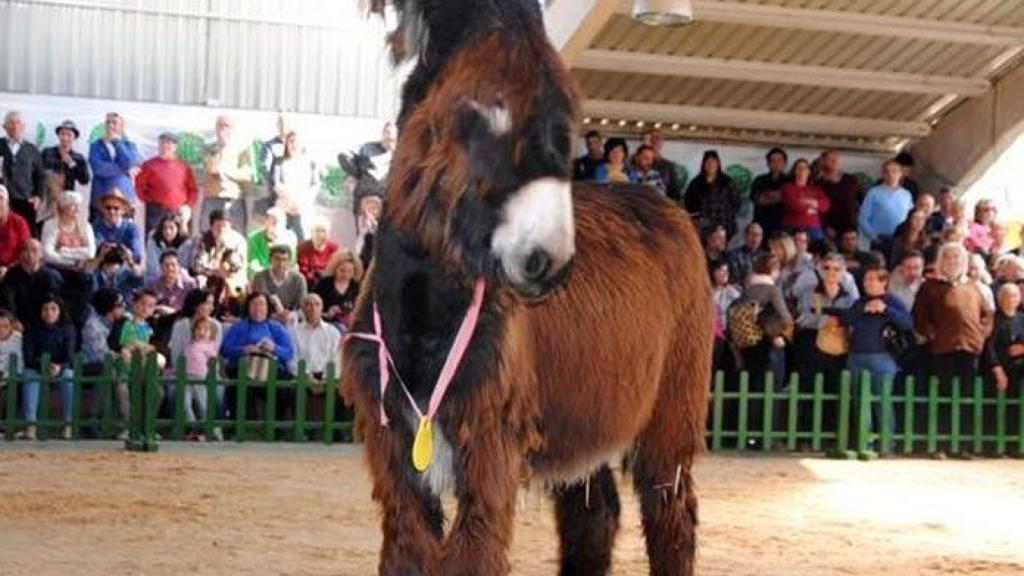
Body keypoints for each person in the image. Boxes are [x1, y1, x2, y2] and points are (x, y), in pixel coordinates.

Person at [912, 242, 996, 457]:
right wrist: (933, 335)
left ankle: (962, 445)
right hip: (942, 350)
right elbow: (919, 316)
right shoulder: (930, 287)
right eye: (948, 257)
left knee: (966, 399)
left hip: (969, 349)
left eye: (957, 258)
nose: (953, 261)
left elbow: (987, 316)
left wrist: (980, 336)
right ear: (941, 261)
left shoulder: (973, 287)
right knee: (943, 397)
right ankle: (940, 444)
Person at [841, 264, 913, 446]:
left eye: (873, 279)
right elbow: (846, 319)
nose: (868, 283)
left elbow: (907, 323)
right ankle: (864, 441)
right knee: (859, 400)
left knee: (883, 400)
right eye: (866, 279)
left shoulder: (892, 301)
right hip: (857, 355)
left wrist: (885, 310)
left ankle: (887, 442)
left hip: (883, 357)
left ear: (884, 282)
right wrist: (863, 309)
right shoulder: (859, 302)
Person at [167, 288, 224, 440]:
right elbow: (176, 355)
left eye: (212, 304)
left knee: (216, 393)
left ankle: (211, 428)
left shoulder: (216, 326)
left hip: (205, 371)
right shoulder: (181, 325)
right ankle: (186, 428)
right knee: (176, 392)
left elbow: (213, 353)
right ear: (196, 305)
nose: (211, 307)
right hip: (183, 371)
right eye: (207, 303)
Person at [20, 294, 76, 440]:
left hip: (59, 369)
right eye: (45, 309)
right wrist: (42, 365)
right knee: (30, 376)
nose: (49, 313)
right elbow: (28, 356)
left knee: (69, 377)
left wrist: (59, 367)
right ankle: (30, 425)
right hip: (37, 367)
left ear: (59, 311)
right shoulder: (32, 328)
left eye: (53, 309)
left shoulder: (68, 328)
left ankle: (68, 424)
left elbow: (69, 356)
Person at [136, 132, 199, 237]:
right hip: (156, 212)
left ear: (175, 147)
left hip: (178, 212)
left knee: (181, 244)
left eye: (168, 143)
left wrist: (188, 206)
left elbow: (193, 190)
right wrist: (151, 200)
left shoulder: (184, 167)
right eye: (162, 143)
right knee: (155, 242)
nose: (165, 146)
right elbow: (139, 187)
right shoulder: (149, 165)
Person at [201, 115, 253, 234]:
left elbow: (247, 175)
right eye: (220, 125)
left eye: (227, 126)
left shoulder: (243, 150)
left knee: (237, 234)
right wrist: (223, 148)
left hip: (234, 199)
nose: (223, 129)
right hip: (212, 198)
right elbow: (212, 169)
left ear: (233, 129)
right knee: (208, 233)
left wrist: (224, 171)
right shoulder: (209, 149)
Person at [191, 209, 247, 313]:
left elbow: (238, 266)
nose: (221, 230)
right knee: (200, 281)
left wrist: (225, 247)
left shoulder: (238, 241)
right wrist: (215, 272)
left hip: (230, 277)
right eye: (218, 226)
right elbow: (196, 265)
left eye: (224, 226)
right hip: (209, 276)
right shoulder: (201, 239)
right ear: (211, 226)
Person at [0, 240, 63, 330]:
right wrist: (13, 320)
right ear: (20, 254)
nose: (29, 254)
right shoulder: (12, 274)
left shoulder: (51, 276)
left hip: (43, 322)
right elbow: (8, 301)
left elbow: (54, 304)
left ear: (41, 254)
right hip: (17, 321)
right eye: (25, 250)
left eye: (34, 250)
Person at [0, 111, 46, 233]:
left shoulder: (32, 149)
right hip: (1, 200)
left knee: (26, 235)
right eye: (11, 123)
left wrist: (38, 196)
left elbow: (40, 175)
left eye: (18, 123)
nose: (15, 127)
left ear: (24, 127)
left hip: (26, 200)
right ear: (4, 127)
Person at [88, 112, 141, 218]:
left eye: (114, 123)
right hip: (100, 201)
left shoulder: (130, 146)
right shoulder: (96, 146)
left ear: (121, 127)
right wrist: (125, 169)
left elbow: (130, 162)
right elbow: (98, 168)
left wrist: (117, 143)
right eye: (108, 122)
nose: (110, 125)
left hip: (125, 201)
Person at [859, 160, 913, 255]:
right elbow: (863, 218)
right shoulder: (874, 192)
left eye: (894, 171)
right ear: (883, 174)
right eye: (887, 171)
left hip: (901, 240)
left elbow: (911, 217)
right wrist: (873, 236)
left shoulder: (906, 194)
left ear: (900, 174)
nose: (890, 174)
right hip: (880, 239)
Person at [271, 131, 318, 240]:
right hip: (284, 207)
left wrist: (301, 203)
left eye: (296, 141)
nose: (293, 145)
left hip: (303, 208)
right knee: (281, 240)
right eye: (290, 141)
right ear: (286, 144)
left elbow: (315, 185)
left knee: (303, 240)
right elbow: (276, 183)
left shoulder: (310, 162)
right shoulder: (279, 162)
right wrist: (290, 201)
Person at [684, 150, 741, 239]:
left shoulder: (727, 182)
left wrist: (726, 216)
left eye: (713, 162)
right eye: (708, 162)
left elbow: (737, 202)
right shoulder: (696, 183)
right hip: (702, 227)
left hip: (723, 225)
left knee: (720, 251)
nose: (711, 165)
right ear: (703, 164)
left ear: (718, 164)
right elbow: (688, 203)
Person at [987, 284, 1023, 425]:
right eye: (1007, 296)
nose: (1011, 299)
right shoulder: (994, 320)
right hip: (999, 370)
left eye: (1015, 295)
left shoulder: (1022, 318)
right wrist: (998, 369)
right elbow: (989, 347)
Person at [182, 317, 220, 441]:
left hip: (201, 377)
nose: (201, 332)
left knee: (203, 404)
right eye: (198, 329)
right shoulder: (189, 345)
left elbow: (214, 363)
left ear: (211, 333)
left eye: (205, 330)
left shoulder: (209, 346)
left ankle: (209, 428)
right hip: (187, 377)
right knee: (185, 403)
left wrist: (213, 375)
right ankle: (192, 426)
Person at [41, 191, 96, 271]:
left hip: (79, 268)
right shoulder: (50, 225)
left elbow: (90, 253)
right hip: (56, 267)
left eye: (79, 205)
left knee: (87, 277)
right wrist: (71, 262)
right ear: (63, 207)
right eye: (73, 205)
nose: (77, 208)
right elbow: (47, 254)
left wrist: (64, 251)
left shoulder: (85, 226)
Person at [817, 149, 863, 241]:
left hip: (852, 228)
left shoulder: (850, 179)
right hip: (831, 229)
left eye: (837, 159)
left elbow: (862, 200)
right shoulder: (818, 184)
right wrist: (825, 226)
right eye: (831, 159)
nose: (835, 162)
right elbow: (817, 210)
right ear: (823, 162)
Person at [250, 245, 307, 318]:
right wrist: (276, 316)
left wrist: (289, 315)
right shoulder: (259, 278)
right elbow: (256, 305)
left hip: (291, 318)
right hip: (266, 318)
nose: (281, 264)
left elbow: (302, 306)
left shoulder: (299, 279)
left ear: (289, 261)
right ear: (270, 260)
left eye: (284, 260)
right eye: (277, 259)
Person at [780, 158, 830, 241]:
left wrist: (806, 202)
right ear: (794, 171)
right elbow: (794, 205)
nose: (802, 170)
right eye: (799, 168)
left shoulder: (816, 189)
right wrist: (814, 206)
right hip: (792, 226)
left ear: (809, 171)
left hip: (813, 227)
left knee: (820, 249)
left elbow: (826, 205)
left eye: (805, 168)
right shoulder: (787, 187)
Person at [92, 188, 144, 264]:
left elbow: (137, 253)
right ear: (102, 209)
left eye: (116, 208)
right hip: (102, 266)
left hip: (124, 267)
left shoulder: (132, 228)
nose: (112, 211)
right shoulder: (96, 226)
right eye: (108, 208)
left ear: (123, 210)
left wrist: (124, 253)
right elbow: (95, 249)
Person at [313, 249, 362, 330]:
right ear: (335, 269)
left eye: (349, 271)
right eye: (342, 271)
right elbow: (311, 308)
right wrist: (326, 314)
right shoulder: (323, 284)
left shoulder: (356, 287)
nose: (345, 275)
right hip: (325, 326)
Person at [41, 120, 90, 192]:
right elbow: (37, 173)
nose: (65, 138)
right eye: (62, 134)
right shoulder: (47, 152)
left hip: (67, 195)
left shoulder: (79, 158)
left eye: (69, 135)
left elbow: (84, 181)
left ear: (74, 138)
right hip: (47, 194)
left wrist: (72, 164)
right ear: (58, 135)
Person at [247, 207, 297, 278]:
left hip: (284, 277)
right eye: (272, 222)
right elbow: (253, 264)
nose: (275, 226)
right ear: (266, 223)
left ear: (284, 223)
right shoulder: (254, 238)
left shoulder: (290, 238)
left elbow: (292, 263)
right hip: (261, 277)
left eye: (278, 222)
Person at [750, 147, 788, 238]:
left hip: (782, 226)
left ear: (785, 163)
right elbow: (757, 199)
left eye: (779, 160)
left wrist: (767, 195)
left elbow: (790, 199)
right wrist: (780, 196)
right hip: (761, 225)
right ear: (768, 163)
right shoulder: (759, 180)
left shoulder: (790, 181)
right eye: (773, 160)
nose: (776, 163)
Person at [144, 214, 194, 282]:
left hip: (179, 279)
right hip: (156, 279)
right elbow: (152, 268)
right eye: (165, 228)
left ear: (178, 228)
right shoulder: (154, 239)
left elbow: (183, 267)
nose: (168, 231)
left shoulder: (185, 243)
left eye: (171, 228)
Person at [146, 250, 197, 316]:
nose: (170, 268)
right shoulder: (152, 284)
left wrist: (171, 311)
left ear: (179, 266)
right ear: (161, 267)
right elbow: (147, 307)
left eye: (173, 265)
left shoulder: (190, 285)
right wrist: (159, 308)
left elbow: (193, 311)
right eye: (167, 265)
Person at [640, 127, 681, 201]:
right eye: (651, 138)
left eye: (658, 138)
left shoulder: (668, 166)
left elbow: (675, 193)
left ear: (662, 142)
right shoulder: (633, 163)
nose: (654, 141)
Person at [0, 185, 31, 279]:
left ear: (7, 202)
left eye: (1, 199)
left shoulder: (19, 222)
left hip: (14, 268)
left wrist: (8, 268)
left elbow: (25, 251)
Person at [296, 215, 337, 286]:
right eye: (317, 231)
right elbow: (303, 272)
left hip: (328, 286)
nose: (320, 234)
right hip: (307, 285)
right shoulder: (302, 248)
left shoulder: (334, 249)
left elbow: (335, 271)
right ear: (311, 232)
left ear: (329, 233)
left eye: (323, 231)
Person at [0, 309, 23, 422]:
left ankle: (9, 423)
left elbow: (20, 363)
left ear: (11, 326)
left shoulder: (18, 339)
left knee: (17, 389)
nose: (2, 330)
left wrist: (6, 376)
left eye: (5, 326)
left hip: (12, 375)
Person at [354, 195, 381, 272]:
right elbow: (365, 230)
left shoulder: (379, 223)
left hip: (372, 250)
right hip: (362, 248)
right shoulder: (361, 219)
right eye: (369, 208)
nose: (371, 211)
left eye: (374, 208)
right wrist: (369, 219)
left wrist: (372, 220)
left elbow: (375, 230)